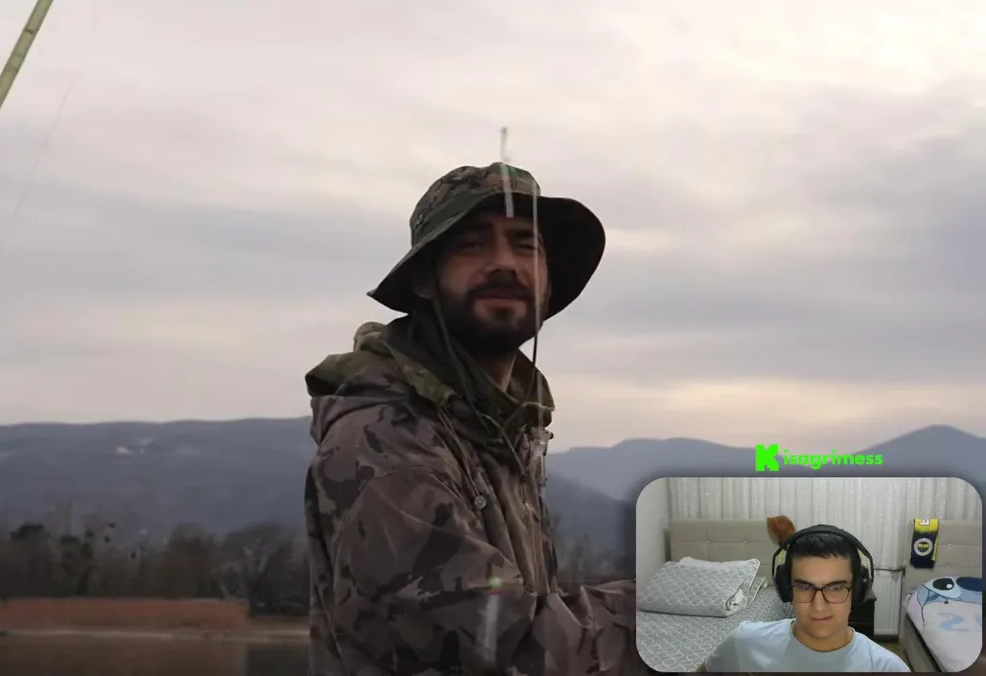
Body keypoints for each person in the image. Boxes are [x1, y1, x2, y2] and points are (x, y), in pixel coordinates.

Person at [302, 162, 640, 675]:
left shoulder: (499, 432)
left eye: (525, 245)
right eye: (472, 244)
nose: (504, 263)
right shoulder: (384, 442)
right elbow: (504, 643)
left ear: (548, 283)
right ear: (424, 279)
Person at [700, 525, 910, 672]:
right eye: (804, 587)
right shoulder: (744, 643)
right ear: (786, 590)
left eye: (835, 587)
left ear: (857, 590)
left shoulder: (887, 668)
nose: (818, 606)